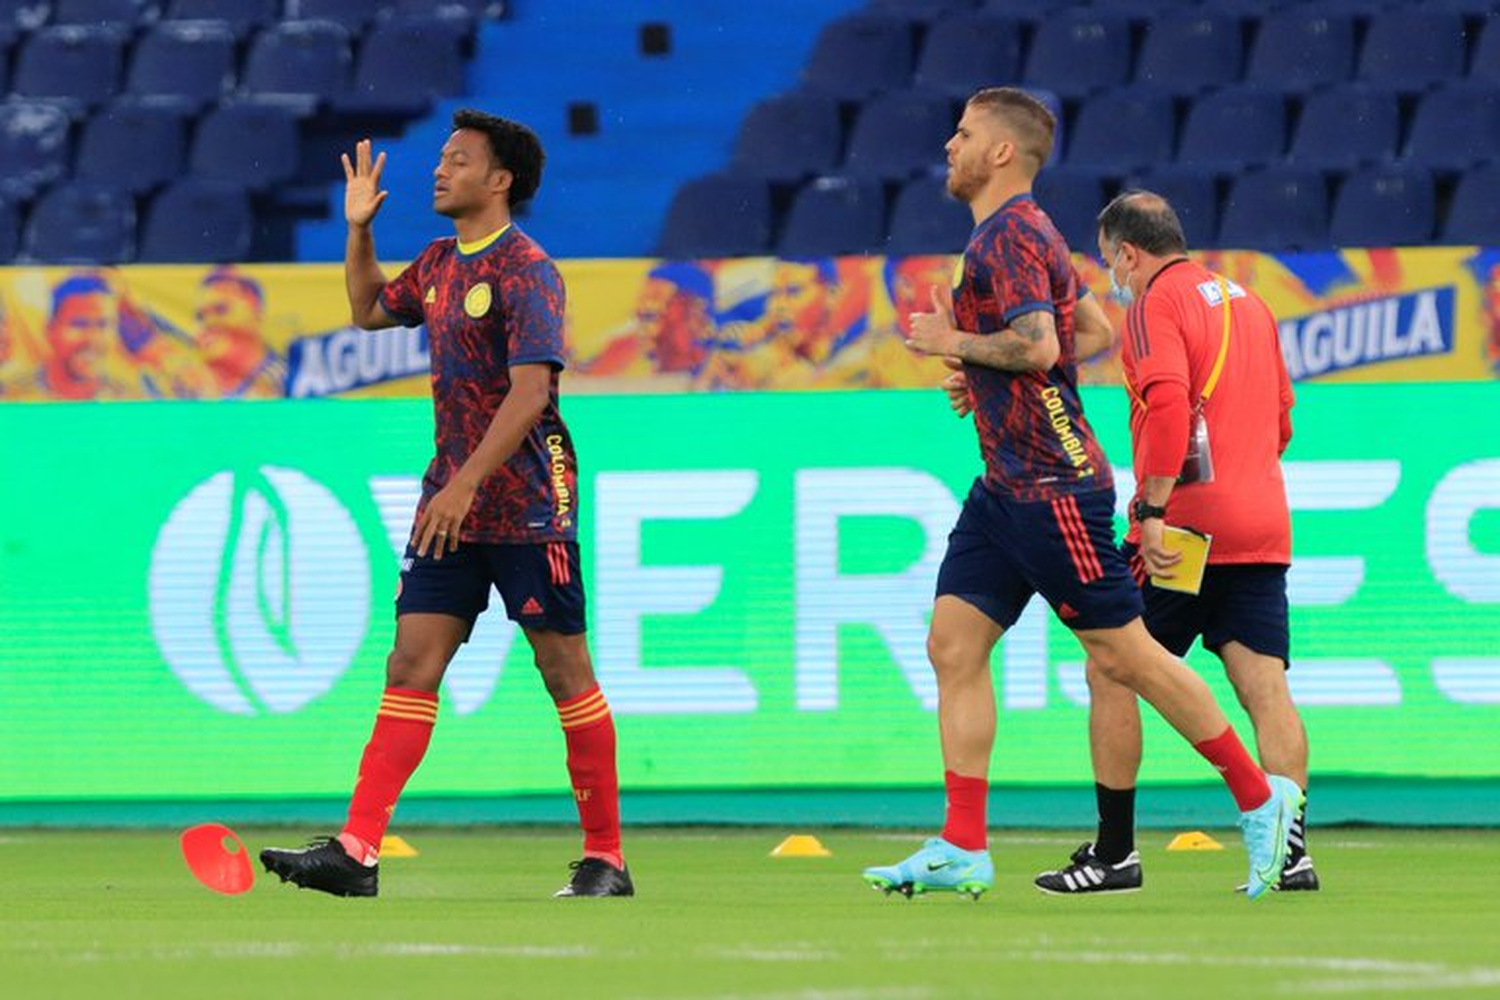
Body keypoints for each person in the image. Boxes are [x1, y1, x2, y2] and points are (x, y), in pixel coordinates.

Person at [858, 87, 1300, 902]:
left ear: (1001, 152)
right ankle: (963, 843)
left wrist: (952, 341)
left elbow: (1042, 344)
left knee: (1124, 654)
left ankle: (1258, 798)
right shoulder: (1028, 237)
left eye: (962, 134)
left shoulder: (1012, 236)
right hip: (1005, 484)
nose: (948, 146)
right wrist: (980, 372)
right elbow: (1087, 335)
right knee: (952, 646)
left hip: (1053, 483)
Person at [261, 109, 632, 899]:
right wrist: (359, 229)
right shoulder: (436, 263)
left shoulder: (529, 270)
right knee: (411, 662)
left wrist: (467, 482)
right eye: (441, 159)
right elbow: (366, 311)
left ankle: (608, 857)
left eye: (457, 160)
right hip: (450, 503)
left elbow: (533, 391)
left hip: (530, 501)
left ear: (499, 181)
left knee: (564, 670)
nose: (439, 170)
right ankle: (359, 851)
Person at [1030, 191, 1315, 894]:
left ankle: (1116, 852)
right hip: (1261, 519)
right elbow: (1283, 418)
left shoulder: (1155, 304)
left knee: (1111, 666)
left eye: (1110, 263)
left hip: (1184, 528)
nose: (1114, 278)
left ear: (1130, 252)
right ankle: (1292, 854)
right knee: (1265, 687)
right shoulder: (1250, 302)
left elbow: (1166, 401)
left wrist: (1153, 506)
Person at [193, 267, 285, 398]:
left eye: (221, 309)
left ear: (256, 314)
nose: (209, 322)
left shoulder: (291, 380)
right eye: (200, 316)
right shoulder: (198, 387)